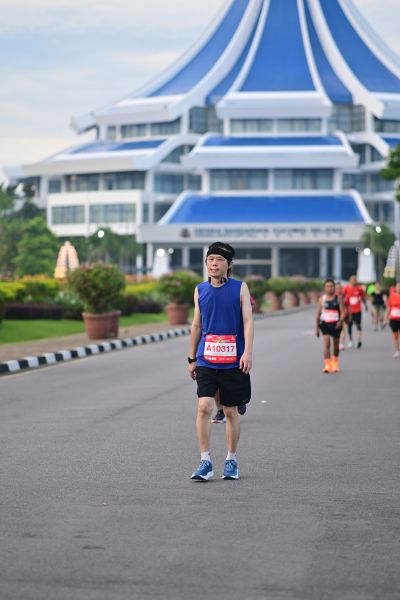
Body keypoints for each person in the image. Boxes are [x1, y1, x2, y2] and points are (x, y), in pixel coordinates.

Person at [188, 242, 254, 481]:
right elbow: (197, 324)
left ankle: (231, 459)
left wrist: (247, 353)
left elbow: (248, 321)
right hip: (206, 358)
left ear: (229, 264)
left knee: (230, 411)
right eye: (210, 260)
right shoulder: (200, 290)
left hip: (233, 360)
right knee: (204, 407)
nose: (214, 264)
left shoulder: (240, 288)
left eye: (219, 260)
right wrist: (192, 358)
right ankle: (205, 461)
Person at [316, 279, 344, 373]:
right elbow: (318, 314)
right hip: (325, 323)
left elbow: (343, 312)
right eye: (327, 286)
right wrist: (317, 329)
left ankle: (335, 361)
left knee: (336, 346)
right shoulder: (322, 300)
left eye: (331, 286)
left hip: (336, 324)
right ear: (324, 288)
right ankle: (327, 364)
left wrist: (340, 321)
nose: (330, 288)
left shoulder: (338, 299)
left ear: (334, 287)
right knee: (327, 343)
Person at [343, 275, 368, 348]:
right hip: (349, 311)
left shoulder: (359, 288)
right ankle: (351, 340)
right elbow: (342, 297)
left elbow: (362, 297)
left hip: (357, 310)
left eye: (355, 279)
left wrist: (365, 305)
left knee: (358, 325)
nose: (354, 281)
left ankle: (359, 340)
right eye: (352, 279)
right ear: (350, 280)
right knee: (349, 325)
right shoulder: (346, 288)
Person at [386, 281, 400, 358]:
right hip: (394, 318)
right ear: (396, 288)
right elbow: (389, 307)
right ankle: (397, 351)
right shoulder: (392, 296)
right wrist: (386, 318)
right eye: (398, 286)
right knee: (395, 335)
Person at [335, 281, 347, 351]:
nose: (338, 289)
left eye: (339, 288)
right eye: (336, 288)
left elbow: (347, 304)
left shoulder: (344, 295)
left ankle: (341, 344)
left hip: (342, 313)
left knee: (342, 329)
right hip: (334, 315)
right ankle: (337, 342)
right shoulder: (332, 296)